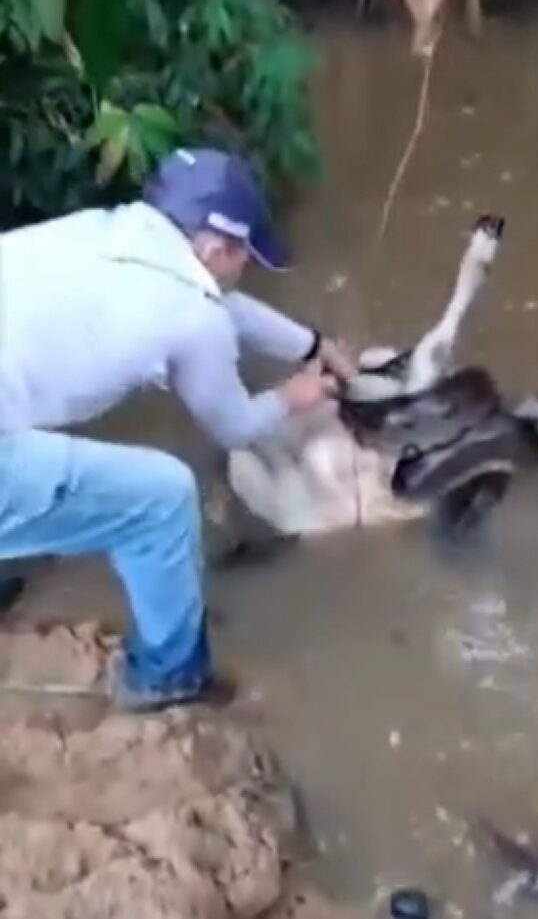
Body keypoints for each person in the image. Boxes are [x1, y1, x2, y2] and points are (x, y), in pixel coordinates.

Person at [0, 147, 354, 711]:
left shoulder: (106, 231)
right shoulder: (191, 313)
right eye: (245, 257)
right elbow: (234, 426)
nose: (244, 271)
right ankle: (169, 677)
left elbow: (218, 306)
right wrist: (296, 394)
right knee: (162, 500)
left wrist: (312, 345)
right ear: (215, 248)